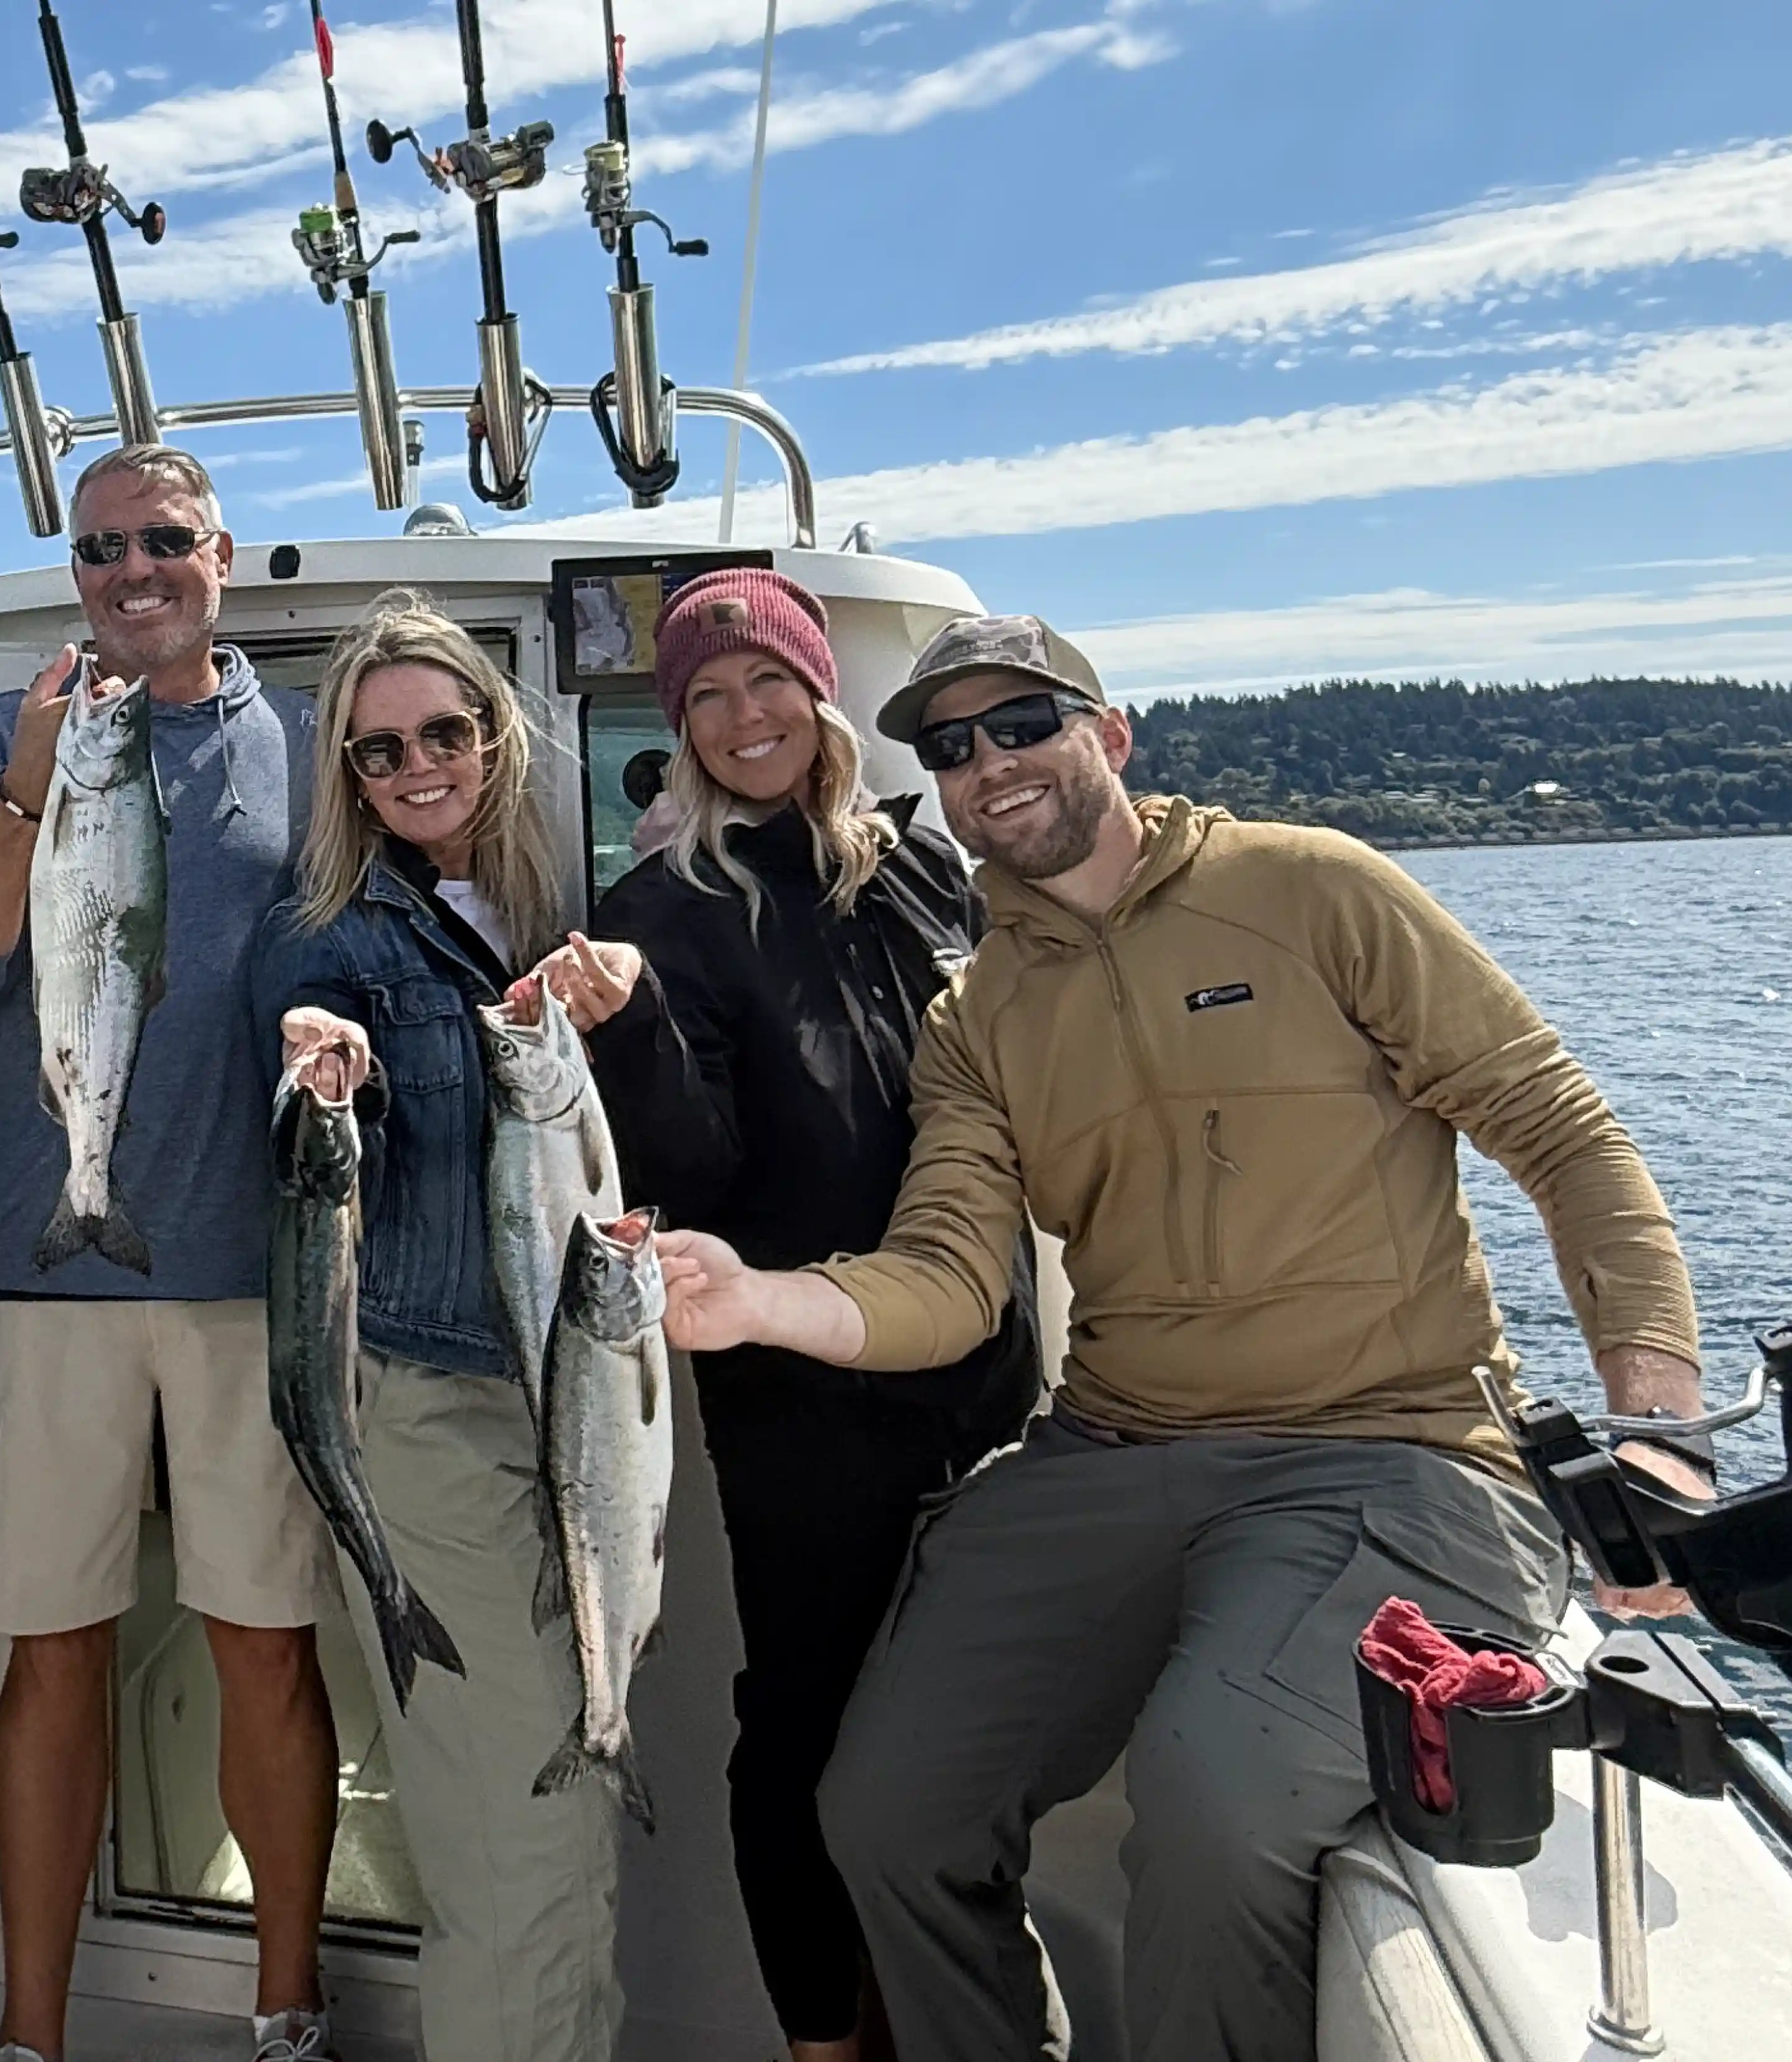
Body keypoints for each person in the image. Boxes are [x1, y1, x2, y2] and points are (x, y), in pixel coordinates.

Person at [648, 613, 1718, 2062]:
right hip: (1109, 1449)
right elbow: (951, 1277)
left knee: (1213, 1799)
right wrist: (757, 1300)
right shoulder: (978, 1011)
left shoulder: (1311, 888)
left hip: (1389, 1449)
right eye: (949, 749)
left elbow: (1558, 1129)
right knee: (882, 1812)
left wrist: (1656, 1421)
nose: (987, 767)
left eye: (1022, 725)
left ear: (1109, 733)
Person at [522, 567, 1039, 2062]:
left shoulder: (921, 871)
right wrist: (622, 1030)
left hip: (982, 1370)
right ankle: (825, 2043)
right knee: (805, 1729)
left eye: (767, 684)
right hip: (801, 1396)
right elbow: (692, 1172)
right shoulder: (658, 909)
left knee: (960, 1736)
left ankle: (936, 2019)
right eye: (705, 695)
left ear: (818, 696)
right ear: (677, 727)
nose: (743, 718)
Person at [0, 443, 341, 2062]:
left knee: (266, 1647)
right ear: (72, 573)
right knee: (52, 1648)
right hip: (45, 1269)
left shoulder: (307, 748)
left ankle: (290, 2010)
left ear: (222, 554)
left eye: (163, 541)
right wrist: (28, 781)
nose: (133, 572)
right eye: (101, 550)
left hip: (253, 1274)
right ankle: (32, 2036)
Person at [250, 594, 624, 2062]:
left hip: (586, 1411)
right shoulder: (326, 936)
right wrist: (317, 1075)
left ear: (496, 731)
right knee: (517, 1836)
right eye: (374, 751)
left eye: (443, 733)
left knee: (572, 1803)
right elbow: (299, 1096)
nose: (414, 767)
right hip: (438, 1414)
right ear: (343, 776)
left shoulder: (564, 906)